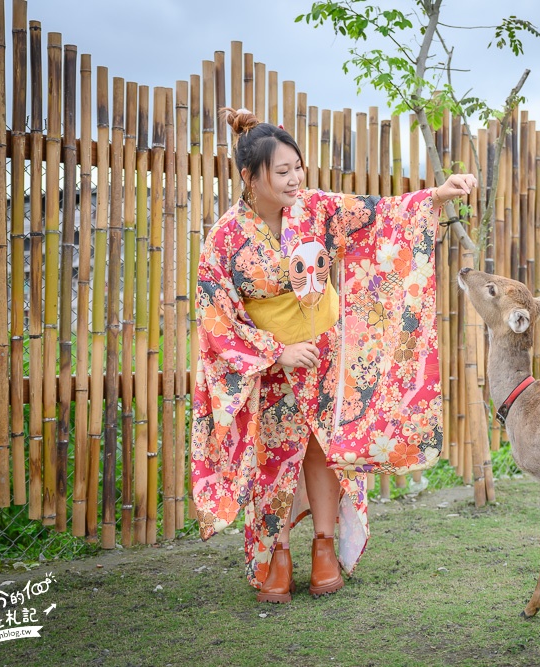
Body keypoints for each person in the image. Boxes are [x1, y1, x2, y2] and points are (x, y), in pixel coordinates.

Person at [190, 107, 476, 603]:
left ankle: (325, 546)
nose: (296, 178)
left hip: (325, 355)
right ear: (248, 177)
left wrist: (436, 195)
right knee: (271, 459)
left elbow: (377, 216)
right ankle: (276, 554)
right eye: (283, 171)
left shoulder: (318, 209)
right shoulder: (226, 238)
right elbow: (216, 316)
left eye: (298, 167)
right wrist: (276, 351)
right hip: (268, 370)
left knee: (327, 451)